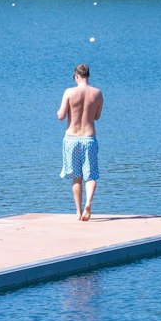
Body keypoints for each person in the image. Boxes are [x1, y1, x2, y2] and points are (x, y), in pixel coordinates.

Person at [57, 62, 103, 221]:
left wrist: (61, 111)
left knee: (76, 177)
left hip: (72, 139)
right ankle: (88, 205)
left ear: (77, 76)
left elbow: (61, 116)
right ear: (88, 76)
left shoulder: (69, 92)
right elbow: (97, 116)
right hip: (88, 138)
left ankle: (77, 212)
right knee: (91, 176)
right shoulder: (97, 93)